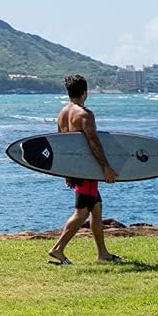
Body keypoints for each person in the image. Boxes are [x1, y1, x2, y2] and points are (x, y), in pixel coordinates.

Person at [48, 73, 120, 265]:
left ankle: (103, 254)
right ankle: (57, 249)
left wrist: (65, 172)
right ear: (85, 92)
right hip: (86, 170)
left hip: (75, 169)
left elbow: (61, 146)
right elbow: (94, 143)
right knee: (81, 213)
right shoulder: (84, 114)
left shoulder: (62, 114)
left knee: (96, 209)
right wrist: (106, 167)